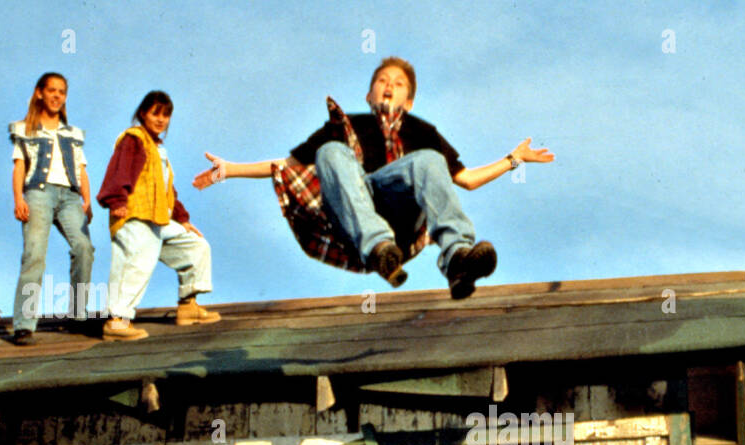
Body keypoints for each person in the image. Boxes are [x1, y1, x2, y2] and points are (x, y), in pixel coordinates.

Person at [192, 56, 554, 299]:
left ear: (408, 100)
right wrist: (230, 170)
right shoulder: (349, 126)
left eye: (397, 83)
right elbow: (286, 166)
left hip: (401, 215)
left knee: (428, 160)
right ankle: (380, 250)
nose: (388, 86)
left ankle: (458, 258)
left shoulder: (423, 131)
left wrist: (513, 159)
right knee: (330, 152)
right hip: (353, 214)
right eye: (382, 80)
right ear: (368, 93)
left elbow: (467, 179)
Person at [95, 91, 219, 341]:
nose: (161, 120)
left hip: (157, 218)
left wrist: (182, 218)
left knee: (195, 245)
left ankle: (188, 305)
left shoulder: (157, 148)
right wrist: (117, 199)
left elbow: (166, 190)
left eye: (166, 115)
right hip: (133, 215)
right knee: (137, 260)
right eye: (155, 113)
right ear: (143, 113)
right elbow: (119, 171)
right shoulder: (133, 139)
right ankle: (117, 321)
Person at [9, 72, 94, 345]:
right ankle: (24, 324)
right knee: (34, 253)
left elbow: (81, 169)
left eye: (62, 92)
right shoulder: (25, 129)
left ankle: (78, 314)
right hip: (39, 193)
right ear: (39, 93)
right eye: (52, 90)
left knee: (83, 247)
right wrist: (18, 199)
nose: (57, 96)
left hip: (69, 196)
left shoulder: (73, 133)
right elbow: (19, 165)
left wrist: (87, 200)